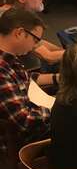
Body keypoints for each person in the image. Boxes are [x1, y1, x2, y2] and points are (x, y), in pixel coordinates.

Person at [0, 8, 57, 152]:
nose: (35, 45)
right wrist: (60, 109)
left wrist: (58, 78)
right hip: (23, 139)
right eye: (35, 40)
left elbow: (24, 79)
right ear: (19, 33)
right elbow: (24, 119)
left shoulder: (8, 57)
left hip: (29, 116)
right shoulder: (1, 69)